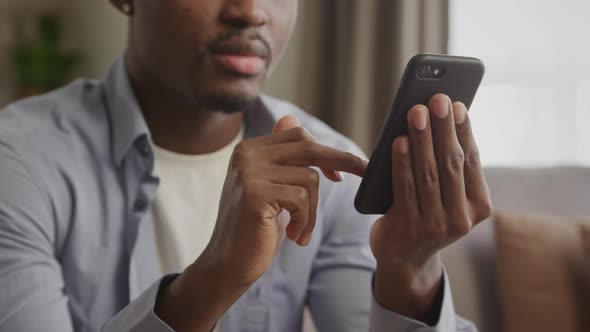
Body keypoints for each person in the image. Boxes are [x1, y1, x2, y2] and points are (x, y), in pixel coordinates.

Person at [0, 0, 492, 331]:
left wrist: (410, 271)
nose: (251, 11)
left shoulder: (333, 167)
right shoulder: (20, 162)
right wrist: (215, 277)